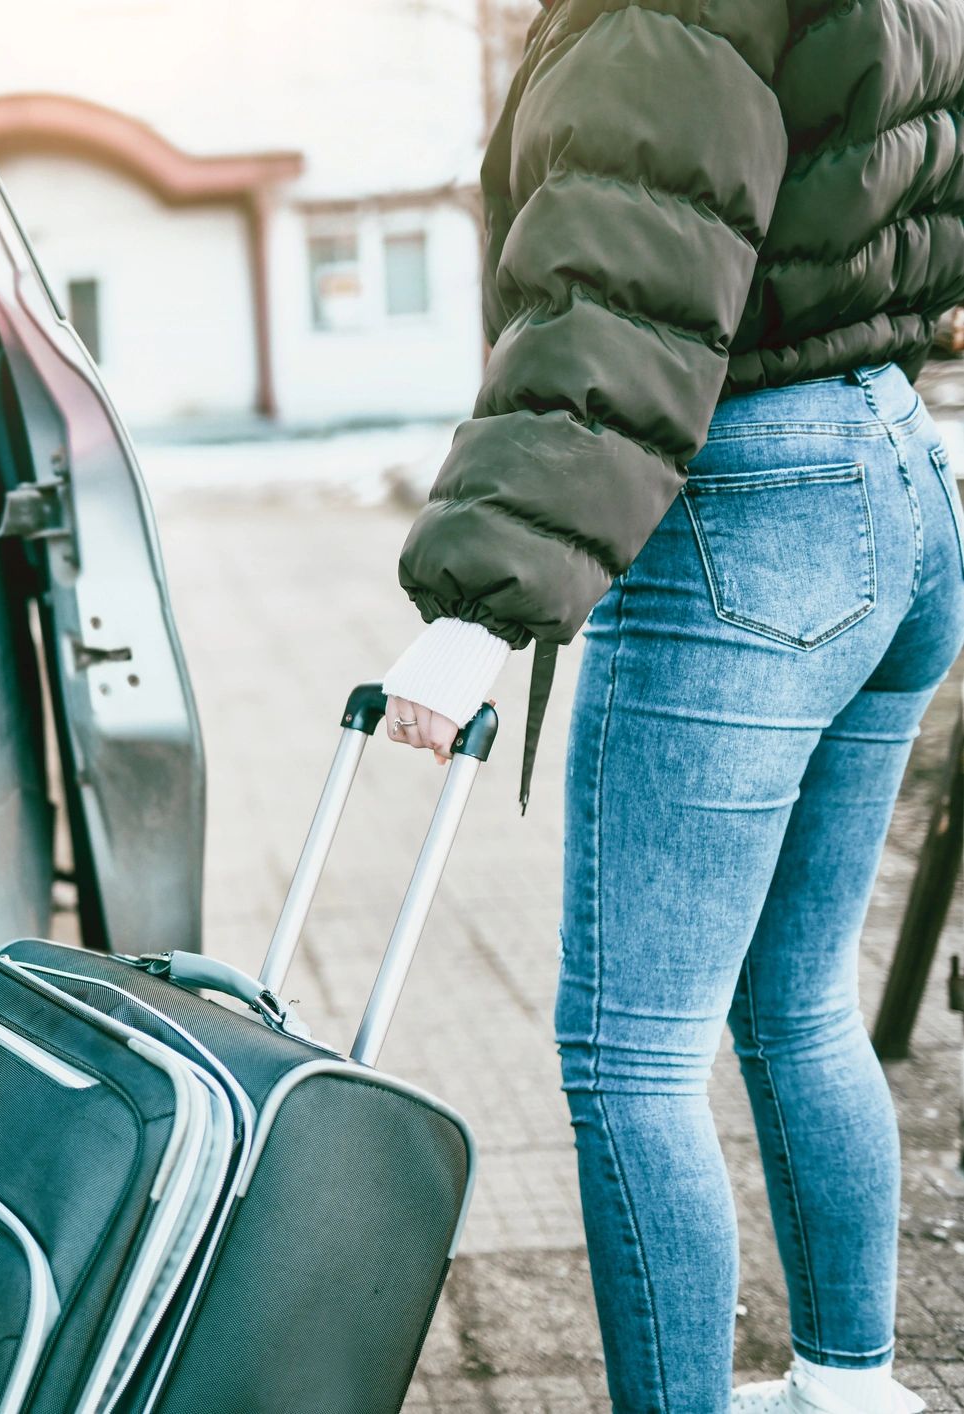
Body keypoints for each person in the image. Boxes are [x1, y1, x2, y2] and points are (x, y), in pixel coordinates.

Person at [380, 6, 964, 1413]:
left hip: (747, 518)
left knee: (627, 1057)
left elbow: (615, 302)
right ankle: (845, 1382)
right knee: (798, 995)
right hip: (892, 475)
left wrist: (477, 604)